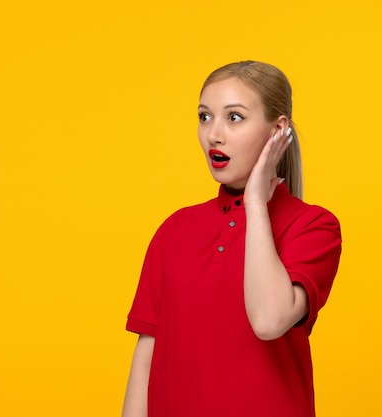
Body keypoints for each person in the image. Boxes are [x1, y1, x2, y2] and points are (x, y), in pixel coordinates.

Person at [122, 60, 342, 417]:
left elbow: (269, 321)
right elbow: (146, 359)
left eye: (234, 117)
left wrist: (256, 202)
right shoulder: (175, 230)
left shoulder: (313, 226)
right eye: (205, 117)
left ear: (278, 131)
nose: (213, 134)